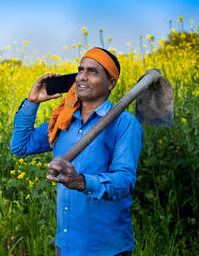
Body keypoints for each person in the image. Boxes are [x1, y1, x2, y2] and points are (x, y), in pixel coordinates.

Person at [10, 47, 143, 256]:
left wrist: (82, 182)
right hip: (66, 243)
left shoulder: (124, 124)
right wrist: (32, 103)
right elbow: (20, 146)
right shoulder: (62, 121)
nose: (82, 76)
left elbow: (124, 182)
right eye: (80, 70)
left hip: (106, 247)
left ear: (111, 83)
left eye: (92, 71)